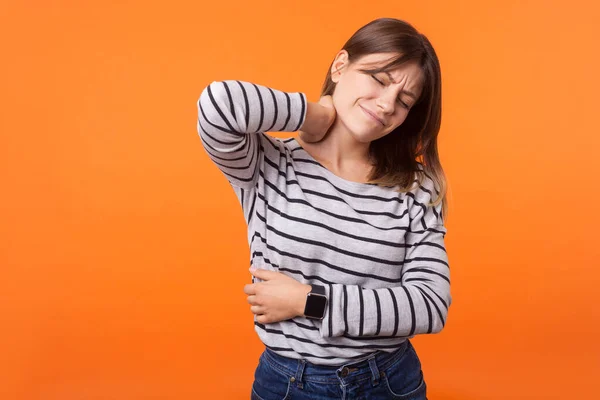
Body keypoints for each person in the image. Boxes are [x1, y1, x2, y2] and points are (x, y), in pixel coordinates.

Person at [196, 17, 451, 400]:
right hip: (288, 384)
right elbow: (219, 104)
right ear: (340, 65)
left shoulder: (414, 185)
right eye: (379, 79)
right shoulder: (268, 164)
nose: (386, 105)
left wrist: (309, 301)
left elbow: (430, 304)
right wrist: (314, 116)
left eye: (404, 102)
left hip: (389, 382)